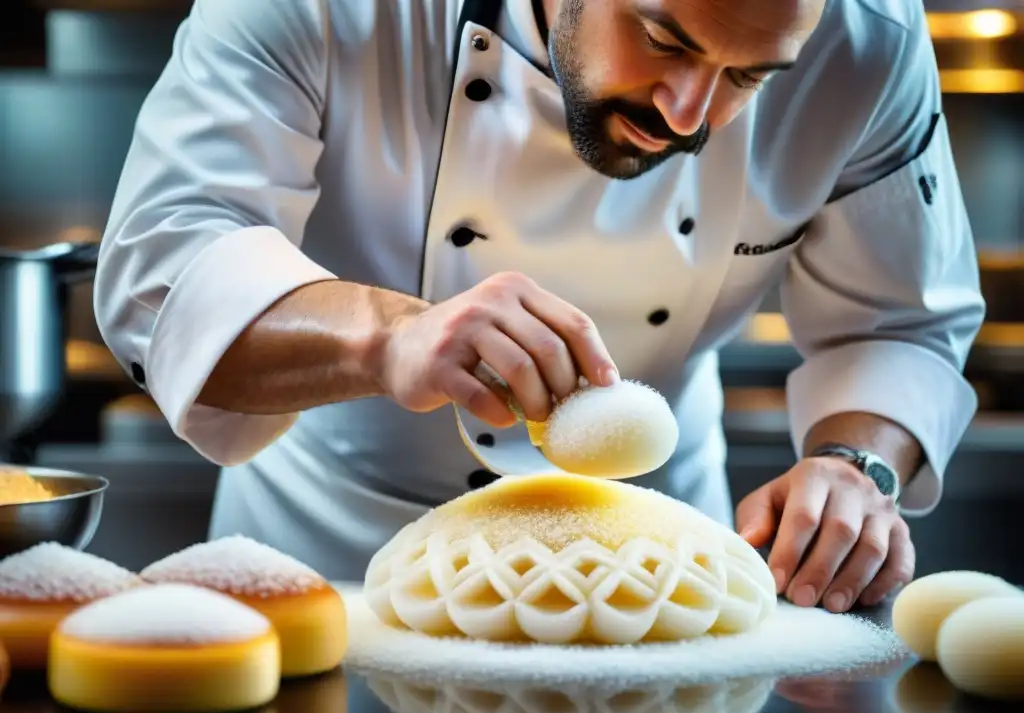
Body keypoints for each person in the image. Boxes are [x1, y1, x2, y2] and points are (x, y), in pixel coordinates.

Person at [94, 0, 985, 612]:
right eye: (665, 40)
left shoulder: (868, 39)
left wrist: (855, 468)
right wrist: (388, 334)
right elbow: (162, 272)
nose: (688, 116)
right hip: (329, 560)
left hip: (652, 570)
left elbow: (898, 321)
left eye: (749, 76)